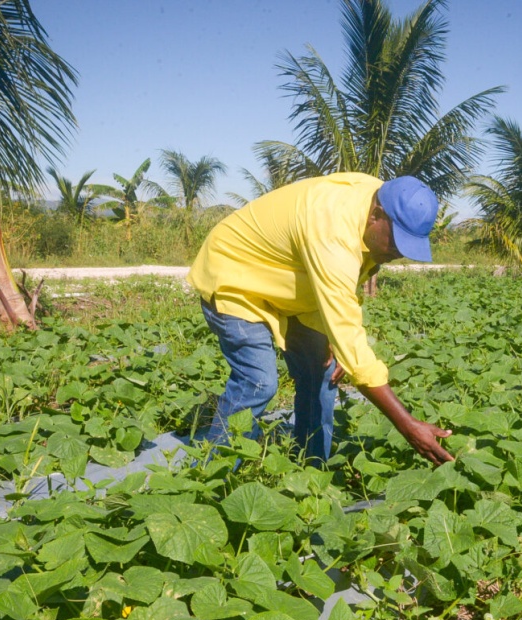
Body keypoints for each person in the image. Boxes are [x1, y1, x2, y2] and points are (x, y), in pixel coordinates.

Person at [186, 172, 454, 466]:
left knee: (323, 371)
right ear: (375, 216)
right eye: (395, 243)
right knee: (258, 382)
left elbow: (343, 297)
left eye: (407, 247)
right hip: (235, 275)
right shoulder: (332, 230)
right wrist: (407, 425)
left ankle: (311, 470)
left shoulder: (378, 198)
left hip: (294, 283)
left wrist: (337, 344)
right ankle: (209, 475)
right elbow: (346, 323)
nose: (399, 253)